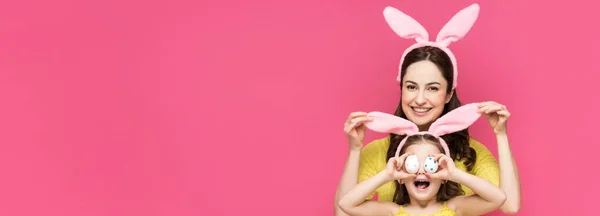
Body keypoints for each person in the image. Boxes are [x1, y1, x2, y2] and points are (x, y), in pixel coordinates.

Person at [334, 3, 521, 215]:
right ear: (401, 88)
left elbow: (509, 205)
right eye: (411, 87)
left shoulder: (469, 153)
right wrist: (355, 150)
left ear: (449, 93)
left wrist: (501, 135)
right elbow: (343, 212)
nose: (420, 99)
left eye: (432, 88)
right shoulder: (380, 153)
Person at [338, 103, 507, 216]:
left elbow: (498, 198)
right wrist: (386, 175)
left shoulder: (456, 207)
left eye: (430, 164)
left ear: (443, 178)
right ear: (401, 178)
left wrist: (455, 174)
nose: (420, 171)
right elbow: (346, 204)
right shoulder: (392, 211)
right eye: (412, 164)